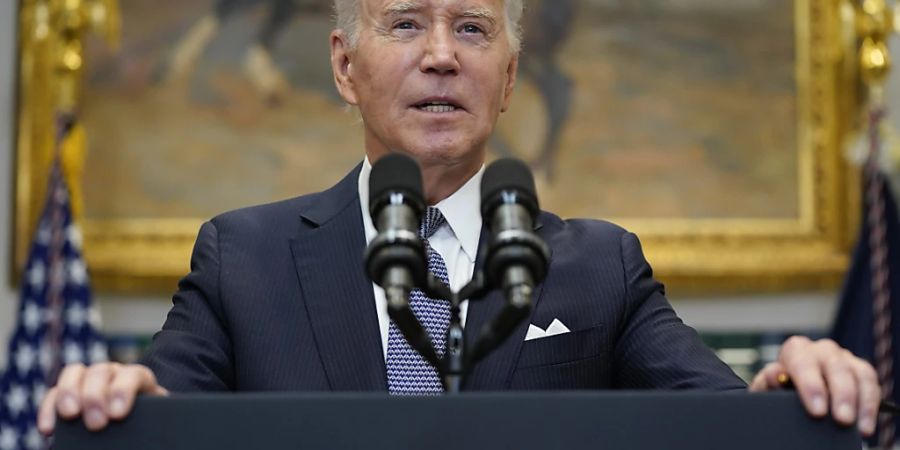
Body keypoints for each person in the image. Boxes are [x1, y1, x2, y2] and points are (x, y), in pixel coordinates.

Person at [39, 0, 881, 438]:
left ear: (510, 78)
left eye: (473, 29)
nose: (441, 52)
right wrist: (127, 397)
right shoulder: (241, 260)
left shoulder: (601, 267)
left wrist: (789, 389)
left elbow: (719, 425)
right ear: (344, 67)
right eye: (404, 24)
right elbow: (166, 413)